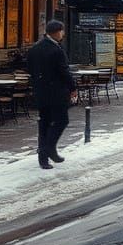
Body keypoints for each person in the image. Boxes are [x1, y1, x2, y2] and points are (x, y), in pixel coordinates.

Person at [25, 19, 77, 170]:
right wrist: (72, 87)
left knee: (45, 123)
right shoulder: (56, 50)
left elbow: (30, 69)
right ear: (56, 32)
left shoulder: (35, 48)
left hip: (41, 93)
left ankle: (44, 158)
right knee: (62, 120)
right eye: (62, 31)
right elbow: (64, 72)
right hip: (57, 93)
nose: (63, 34)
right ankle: (49, 148)